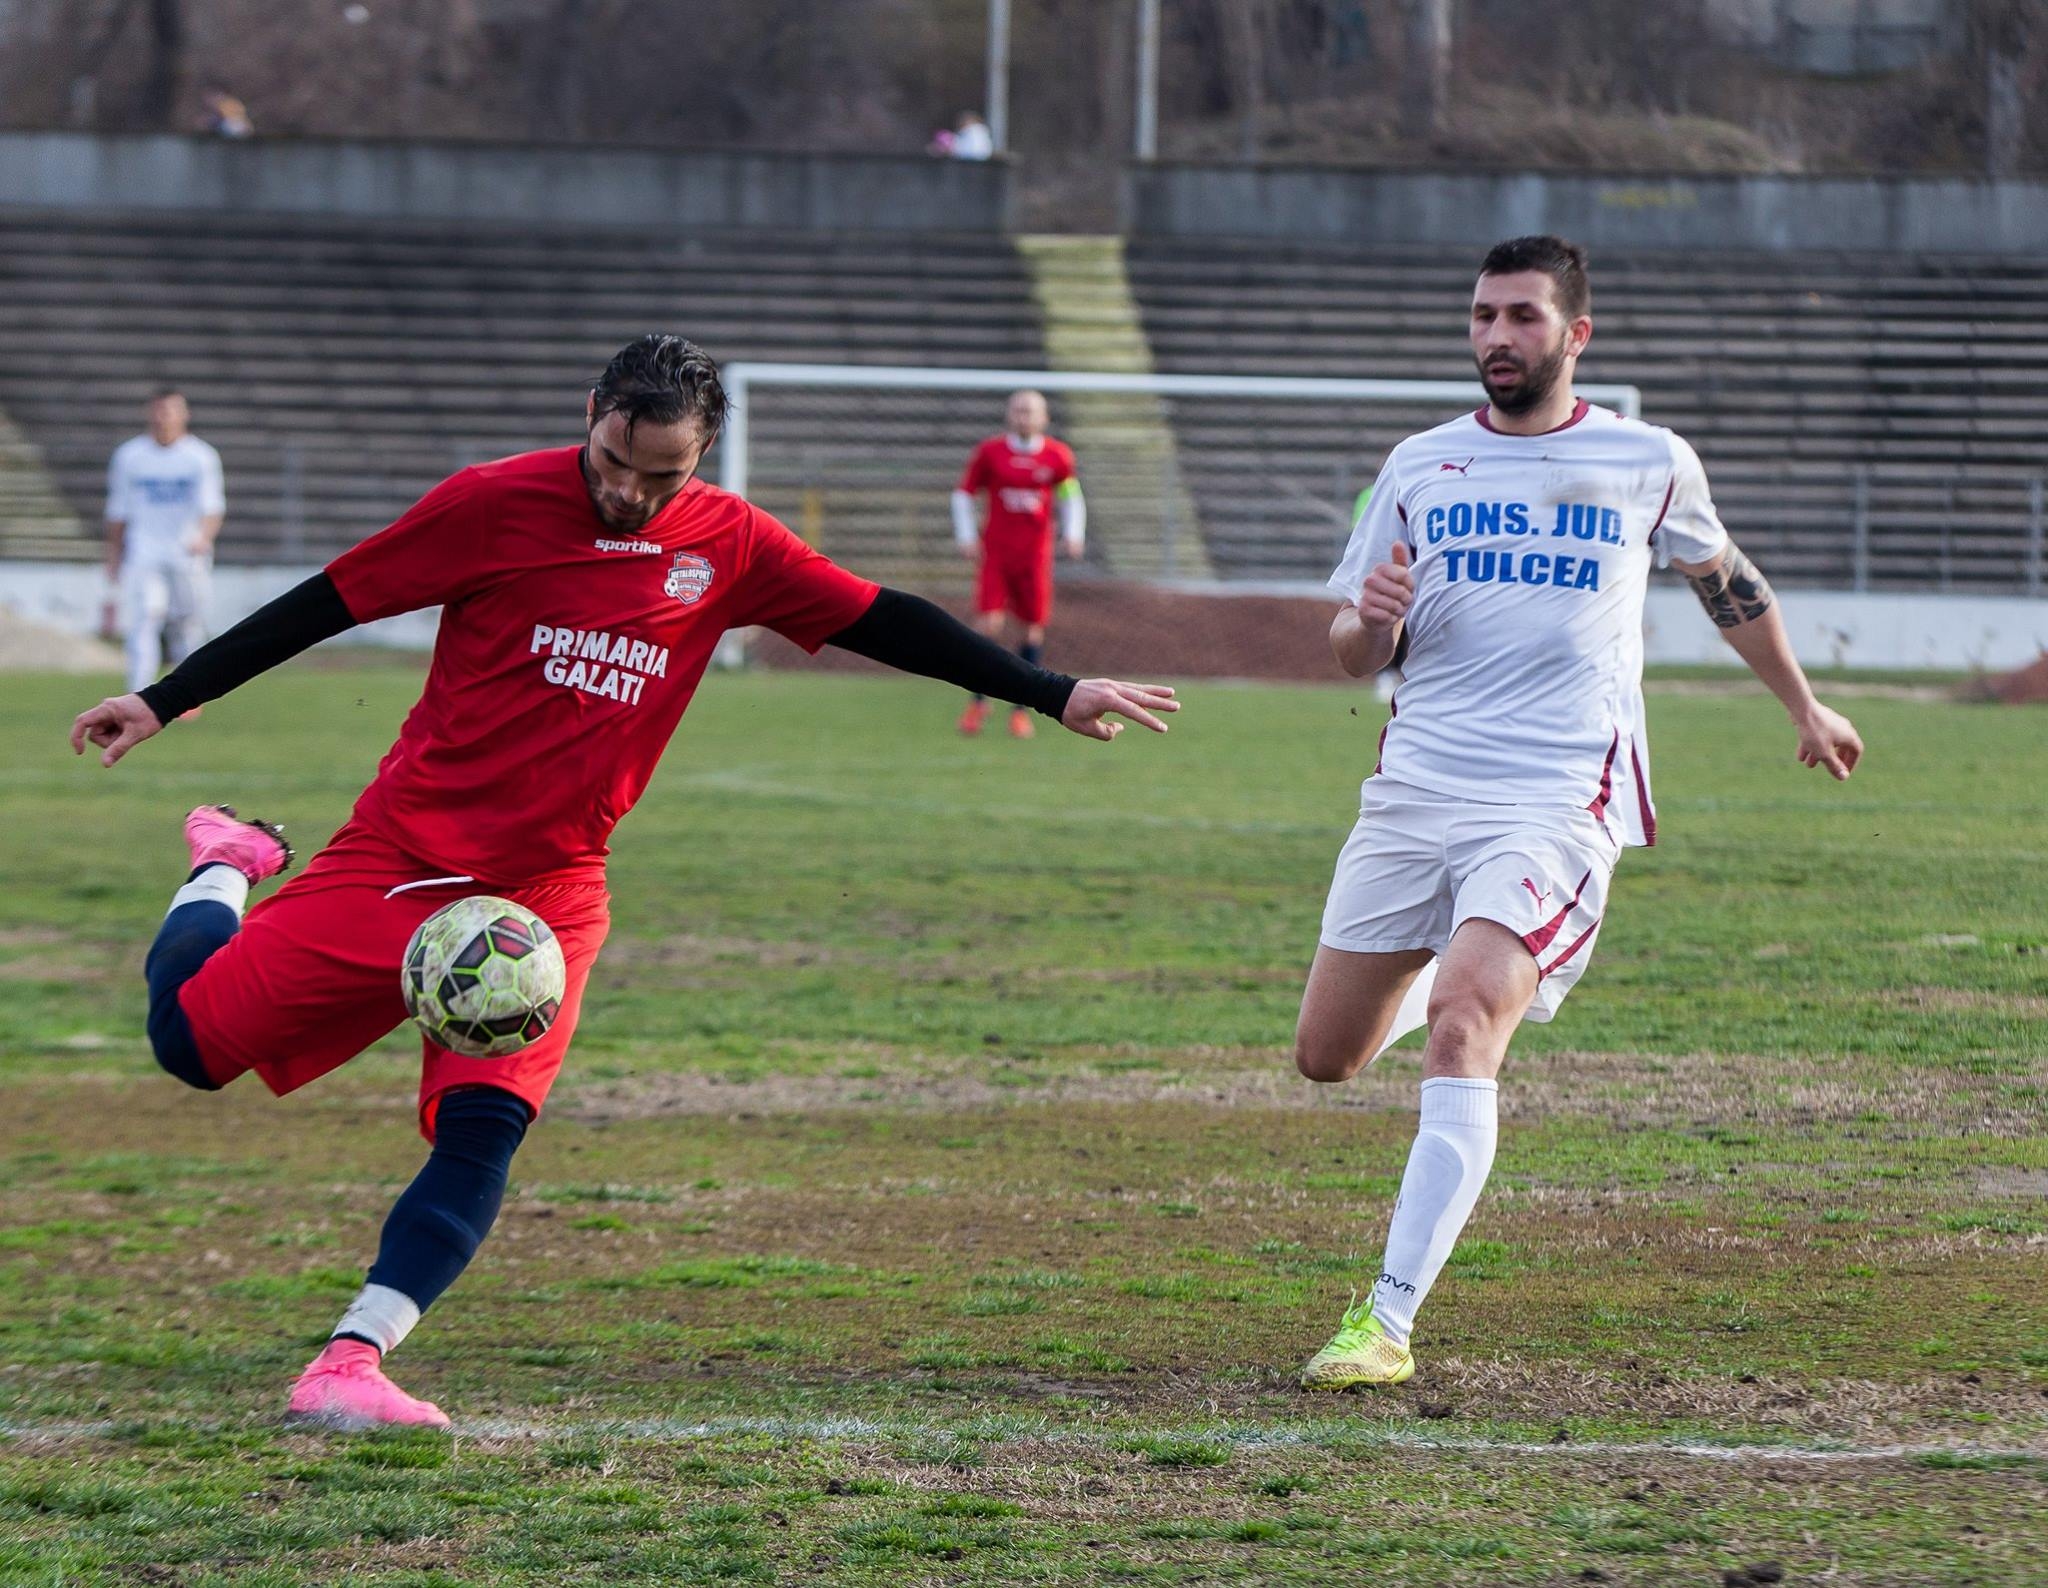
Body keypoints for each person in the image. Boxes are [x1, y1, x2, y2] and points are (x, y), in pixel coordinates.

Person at [70, 335, 1177, 1432]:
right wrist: (166, 698)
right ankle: (228, 862)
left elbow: (881, 615)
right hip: (404, 857)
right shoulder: (489, 504)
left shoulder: (730, 541)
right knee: (190, 1049)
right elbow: (330, 601)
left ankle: (351, 1359)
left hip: (548, 894)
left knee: (483, 1126)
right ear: (591, 409)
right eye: (613, 460)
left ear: (702, 459)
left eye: (665, 476)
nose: (631, 493)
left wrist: (1050, 688)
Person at [1292, 236, 1863, 1390]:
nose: (1495, 337)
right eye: (1480, 317)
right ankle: (1457, 990)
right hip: (1413, 790)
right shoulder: (1417, 466)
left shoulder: (1642, 459)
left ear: (1573, 334)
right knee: (1325, 1057)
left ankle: (1385, 1322)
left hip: (1557, 795)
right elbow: (1351, 651)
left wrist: (1802, 704)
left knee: (1460, 1020)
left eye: (1520, 317)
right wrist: (1373, 618)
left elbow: (1726, 586)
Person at [951, 389, 1086, 738]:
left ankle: (1020, 710)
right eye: (1017, 410)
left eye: (1030, 411)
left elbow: (1071, 496)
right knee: (988, 626)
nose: (1023, 416)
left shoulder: (1057, 456)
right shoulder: (990, 452)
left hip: (1035, 558)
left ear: (1044, 418)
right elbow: (963, 493)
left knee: (1030, 629)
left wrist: (1073, 533)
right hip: (996, 555)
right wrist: (966, 536)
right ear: (1009, 415)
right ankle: (977, 702)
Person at [103, 389, 225, 701]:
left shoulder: (200, 456)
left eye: (170, 411)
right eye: (159, 410)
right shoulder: (130, 456)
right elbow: (118, 512)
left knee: (187, 621)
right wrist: (114, 558)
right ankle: (138, 693)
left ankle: (188, 694)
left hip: (186, 551)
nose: (164, 417)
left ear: (184, 415)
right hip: (145, 550)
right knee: (145, 616)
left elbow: (212, 508)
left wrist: (203, 538)